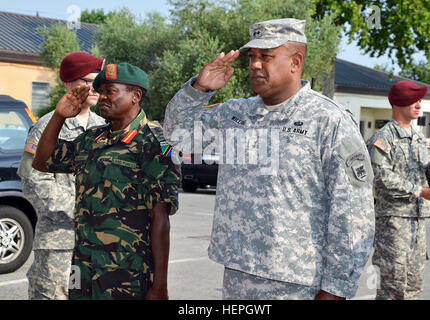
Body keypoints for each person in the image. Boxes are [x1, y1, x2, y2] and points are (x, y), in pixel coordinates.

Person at [163, 18, 375, 300]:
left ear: (295, 63)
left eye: (266, 56)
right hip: (238, 274)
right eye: (252, 57)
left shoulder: (329, 120)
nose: (255, 65)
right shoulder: (235, 114)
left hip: (298, 283)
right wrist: (198, 90)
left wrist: (336, 289)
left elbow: (354, 214)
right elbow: (178, 135)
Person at [31, 62, 180, 300]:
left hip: (125, 271)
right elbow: (42, 161)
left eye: (111, 91)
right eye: (101, 92)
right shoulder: (91, 138)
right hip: (82, 263)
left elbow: (160, 217)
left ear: (135, 96)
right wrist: (59, 116)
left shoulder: (156, 143)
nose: (102, 97)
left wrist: (160, 284)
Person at [17, 52, 106, 300]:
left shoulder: (104, 128)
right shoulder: (47, 127)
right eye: (86, 81)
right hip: (60, 242)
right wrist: (82, 210)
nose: (93, 87)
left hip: (98, 243)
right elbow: (33, 181)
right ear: (68, 84)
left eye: (96, 81)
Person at [367, 80, 430, 300]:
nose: (419, 105)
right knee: (392, 289)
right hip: (394, 224)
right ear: (399, 102)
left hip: (418, 223)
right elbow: (380, 176)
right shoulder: (383, 139)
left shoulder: (421, 139)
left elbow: (426, 175)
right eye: (414, 100)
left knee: (414, 287)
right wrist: (419, 191)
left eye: (420, 100)